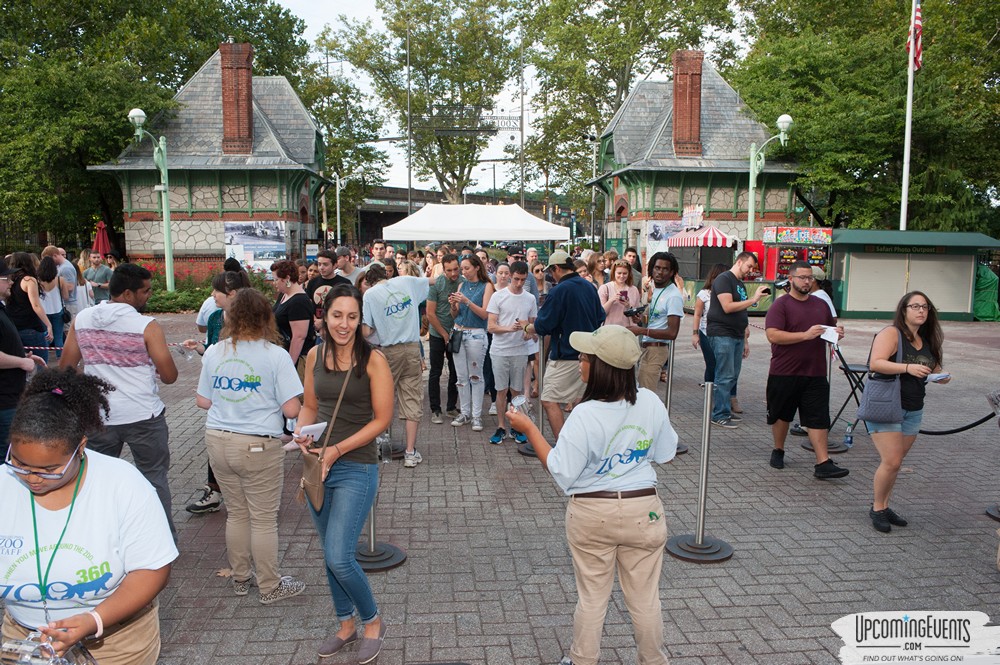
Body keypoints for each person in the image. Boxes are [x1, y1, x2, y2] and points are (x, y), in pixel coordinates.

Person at [506, 325, 677, 665]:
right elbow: (665, 451)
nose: (580, 362)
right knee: (645, 600)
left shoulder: (585, 413)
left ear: (600, 367)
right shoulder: (651, 402)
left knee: (593, 598)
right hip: (644, 509)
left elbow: (561, 469)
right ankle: (653, 660)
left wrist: (529, 430)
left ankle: (583, 659)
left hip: (591, 513)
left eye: (585, 357)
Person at [0, 368, 177, 664]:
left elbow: (152, 569)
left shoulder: (123, 484)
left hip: (114, 642)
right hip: (23, 640)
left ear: (80, 448)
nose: (32, 478)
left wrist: (94, 619)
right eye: (19, 463)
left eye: (48, 469)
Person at [294, 284, 392, 661]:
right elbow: (311, 406)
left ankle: (372, 622)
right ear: (324, 315)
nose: (344, 324)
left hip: (356, 464)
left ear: (360, 319)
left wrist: (337, 449)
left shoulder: (373, 360)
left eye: (352, 317)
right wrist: (303, 435)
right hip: (317, 465)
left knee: (339, 555)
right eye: (338, 315)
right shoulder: (315, 356)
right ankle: (345, 625)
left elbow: (382, 419)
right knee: (328, 552)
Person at [195, 289, 306, 603]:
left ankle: (241, 577)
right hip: (257, 444)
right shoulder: (274, 356)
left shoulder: (216, 351)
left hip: (217, 439)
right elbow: (292, 410)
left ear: (231, 317)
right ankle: (270, 585)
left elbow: (202, 400)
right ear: (265, 318)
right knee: (262, 518)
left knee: (237, 514)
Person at [59, 263, 179, 537]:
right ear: (127, 293)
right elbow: (170, 375)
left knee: (96, 480)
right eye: (145, 291)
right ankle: (161, 538)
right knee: (154, 478)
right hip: (143, 416)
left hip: (98, 416)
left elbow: (66, 366)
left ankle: (100, 537)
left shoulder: (83, 319)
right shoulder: (146, 325)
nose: (148, 296)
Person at [865, 291, 948, 533]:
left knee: (896, 463)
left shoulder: (928, 339)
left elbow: (935, 368)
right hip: (886, 405)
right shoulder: (892, 333)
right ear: (904, 310)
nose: (921, 311)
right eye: (915, 306)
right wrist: (908, 367)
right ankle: (877, 508)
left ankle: (884, 504)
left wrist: (941, 377)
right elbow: (876, 363)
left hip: (914, 408)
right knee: (891, 461)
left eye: (925, 307)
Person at [763, 261, 849, 480]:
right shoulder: (781, 305)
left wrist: (836, 333)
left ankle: (823, 462)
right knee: (781, 415)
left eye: (810, 277)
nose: (807, 281)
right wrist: (805, 335)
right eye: (802, 277)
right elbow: (773, 335)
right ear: (790, 279)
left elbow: (829, 329)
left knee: (818, 417)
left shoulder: (820, 305)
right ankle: (779, 449)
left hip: (815, 371)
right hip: (785, 371)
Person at [182, 270, 252, 514]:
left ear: (231, 294)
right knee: (218, 440)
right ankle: (213, 491)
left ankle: (248, 490)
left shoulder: (253, 318)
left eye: (216, 291)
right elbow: (213, 348)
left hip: (246, 391)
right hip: (218, 394)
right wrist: (201, 348)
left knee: (244, 441)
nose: (212, 295)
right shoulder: (214, 317)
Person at [522, 251, 605, 440]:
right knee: (581, 401)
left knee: (549, 398)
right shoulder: (589, 287)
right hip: (590, 353)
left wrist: (527, 326)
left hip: (567, 355)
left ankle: (565, 444)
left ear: (556, 268)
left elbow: (544, 325)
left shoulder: (559, 290)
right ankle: (582, 442)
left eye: (550, 272)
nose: (550, 275)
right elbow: (601, 315)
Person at [361, 263, 429, 468]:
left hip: (388, 351)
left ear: (369, 281)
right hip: (411, 348)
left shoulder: (370, 295)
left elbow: (365, 331)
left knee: (383, 399)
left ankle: (384, 447)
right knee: (412, 399)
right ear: (386, 275)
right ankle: (410, 452)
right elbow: (431, 282)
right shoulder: (405, 281)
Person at [706, 251, 767, 428]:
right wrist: (753, 299)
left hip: (736, 334)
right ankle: (719, 414)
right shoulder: (724, 279)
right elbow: (727, 306)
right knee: (724, 375)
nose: (750, 270)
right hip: (722, 333)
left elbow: (741, 310)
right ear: (739, 262)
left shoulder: (739, 283)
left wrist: (745, 337)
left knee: (731, 375)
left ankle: (724, 410)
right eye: (749, 266)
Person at [486, 261, 536, 444]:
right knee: (501, 390)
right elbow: (490, 326)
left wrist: (527, 333)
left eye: (523, 279)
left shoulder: (530, 298)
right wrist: (510, 329)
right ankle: (501, 426)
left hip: (519, 350)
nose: (519, 283)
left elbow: (531, 326)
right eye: (516, 279)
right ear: (509, 276)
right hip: (499, 350)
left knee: (517, 391)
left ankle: (516, 426)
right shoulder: (498, 296)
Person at [0, 262, 46, 458]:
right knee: (9, 456)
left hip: (11, 395)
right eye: (6, 278)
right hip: (4, 400)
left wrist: (22, 355)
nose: (11, 282)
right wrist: (21, 362)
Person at [449, 254, 495, 432]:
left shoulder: (487, 286)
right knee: (461, 377)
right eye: (462, 269)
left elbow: (485, 314)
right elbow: (455, 314)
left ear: (477, 267)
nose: (464, 272)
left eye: (467, 268)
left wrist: (466, 301)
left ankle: (476, 415)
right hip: (459, 330)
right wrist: (453, 305)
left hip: (476, 333)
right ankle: (465, 412)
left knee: (475, 376)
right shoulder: (462, 285)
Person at [628, 252, 683, 392]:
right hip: (646, 347)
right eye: (657, 268)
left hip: (657, 349)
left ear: (671, 272)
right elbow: (655, 320)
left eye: (665, 269)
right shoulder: (657, 290)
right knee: (641, 390)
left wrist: (641, 330)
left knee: (646, 394)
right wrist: (640, 321)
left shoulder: (673, 295)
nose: (660, 272)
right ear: (651, 269)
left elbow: (672, 333)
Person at [427, 254, 461, 423]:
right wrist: (443, 333)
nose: (454, 273)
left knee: (456, 371)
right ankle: (435, 409)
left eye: (456, 269)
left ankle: (451, 407)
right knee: (436, 372)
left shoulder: (462, 281)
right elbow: (430, 313)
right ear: (443, 268)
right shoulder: (437, 283)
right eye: (449, 270)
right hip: (437, 333)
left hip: (456, 332)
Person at [691, 264, 732, 391]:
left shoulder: (729, 294)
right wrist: (695, 333)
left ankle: (725, 393)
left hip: (724, 333)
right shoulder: (704, 294)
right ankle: (710, 391)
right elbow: (697, 314)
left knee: (724, 365)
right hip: (706, 333)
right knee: (712, 363)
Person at [6, 253, 53, 364]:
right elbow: (35, 305)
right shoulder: (29, 280)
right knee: (41, 362)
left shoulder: (10, 280)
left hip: (13, 325)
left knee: (20, 361)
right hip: (31, 326)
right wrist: (48, 324)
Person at [270, 260, 315, 374]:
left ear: (286, 279)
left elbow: (299, 337)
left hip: (297, 359)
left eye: (276, 279)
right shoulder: (284, 294)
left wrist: (289, 366)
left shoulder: (299, 301)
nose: (274, 283)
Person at [37, 256, 71, 359]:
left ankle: (45, 356)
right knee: (58, 335)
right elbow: (66, 297)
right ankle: (60, 357)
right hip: (58, 310)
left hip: (43, 312)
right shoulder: (60, 280)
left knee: (46, 335)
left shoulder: (37, 281)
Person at [306, 250, 351, 327]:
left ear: (334, 265)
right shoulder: (312, 282)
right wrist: (315, 320)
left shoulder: (344, 283)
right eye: (319, 264)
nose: (321, 268)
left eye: (325, 264)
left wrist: (324, 322)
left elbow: (348, 307)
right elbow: (307, 304)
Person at [598, 260, 641, 327]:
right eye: (619, 273)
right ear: (614, 273)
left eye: (625, 273)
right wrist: (611, 300)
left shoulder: (634, 290)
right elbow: (600, 313)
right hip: (610, 330)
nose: (621, 276)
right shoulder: (605, 288)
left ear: (629, 273)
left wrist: (628, 306)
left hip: (629, 330)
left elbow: (637, 315)